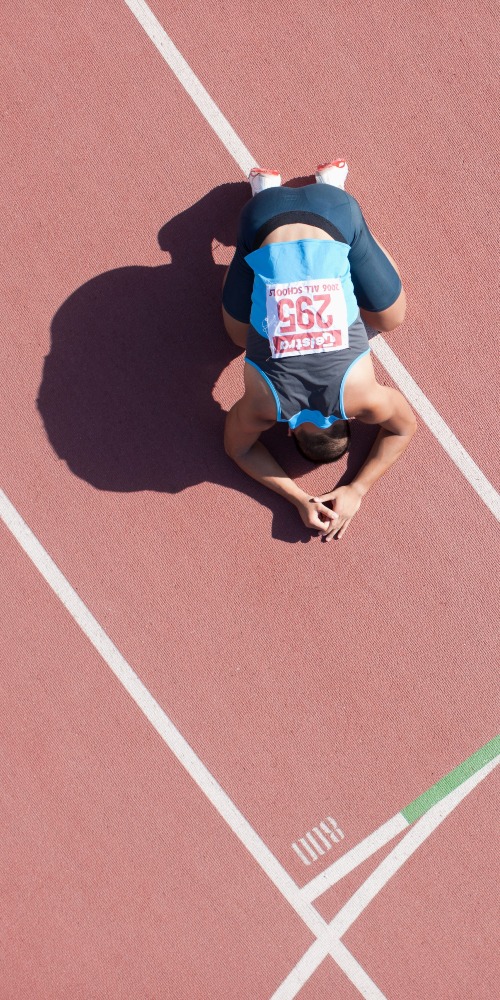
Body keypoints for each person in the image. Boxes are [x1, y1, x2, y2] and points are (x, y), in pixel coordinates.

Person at [222, 162, 417, 540]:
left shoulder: (366, 399)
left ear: (347, 417)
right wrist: (297, 498)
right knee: (236, 336)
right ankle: (265, 190)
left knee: (391, 318)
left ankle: (333, 186)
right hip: (258, 219)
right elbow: (237, 449)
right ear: (292, 432)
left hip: (334, 210)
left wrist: (357, 490)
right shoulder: (265, 407)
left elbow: (404, 428)